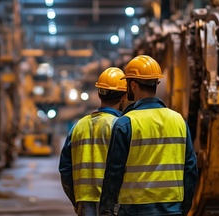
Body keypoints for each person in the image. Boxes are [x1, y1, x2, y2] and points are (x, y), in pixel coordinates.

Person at [99, 55, 198, 216]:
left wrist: (106, 208)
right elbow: (191, 169)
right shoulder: (178, 120)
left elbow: (114, 172)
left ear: (132, 84)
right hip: (172, 208)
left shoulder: (126, 123)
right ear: (156, 84)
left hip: (135, 209)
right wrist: (184, 206)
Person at [59, 67, 128, 216]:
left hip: (84, 199)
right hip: (113, 202)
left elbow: (65, 169)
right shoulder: (121, 126)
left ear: (99, 93)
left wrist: (76, 199)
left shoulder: (78, 126)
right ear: (124, 96)